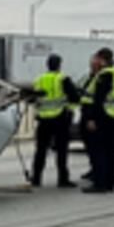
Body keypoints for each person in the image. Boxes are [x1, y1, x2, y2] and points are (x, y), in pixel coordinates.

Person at [29, 53, 80, 188]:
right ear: (59, 65)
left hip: (43, 119)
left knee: (40, 150)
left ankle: (36, 178)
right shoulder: (63, 79)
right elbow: (75, 97)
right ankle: (62, 179)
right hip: (60, 119)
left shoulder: (39, 79)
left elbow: (33, 98)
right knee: (62, 150)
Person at [80, 48, 114, 193]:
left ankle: (100, 183)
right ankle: (109, 183)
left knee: (99, 151)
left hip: (102, 117)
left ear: (101, 60)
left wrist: (92, 118)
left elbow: (98, 99)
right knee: (110, 152)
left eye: (96, 58)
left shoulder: (104, 75)